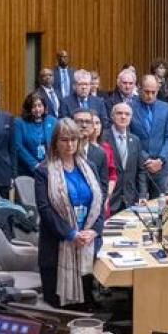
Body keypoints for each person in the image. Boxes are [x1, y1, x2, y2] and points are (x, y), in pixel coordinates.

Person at [35, 118, 104, 308]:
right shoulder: (44, 171)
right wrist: (71, 234)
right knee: (60, 314)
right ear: (55, 142)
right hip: (56, 249)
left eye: (74, 139)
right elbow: (45, 210)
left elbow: (98, 204)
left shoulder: (90, 167)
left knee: (85, 309)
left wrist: (94, 231)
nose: (70, 144)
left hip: (86, 247)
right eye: (64, 140)